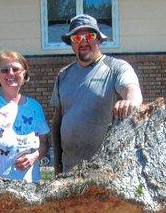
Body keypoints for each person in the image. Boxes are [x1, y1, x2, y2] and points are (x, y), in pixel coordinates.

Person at [51, 14, 142, 174]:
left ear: (99, 39)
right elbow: (58, 121)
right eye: (77, 37)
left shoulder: (116, 68)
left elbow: (131, 89)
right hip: (69, 171)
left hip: (106, 172)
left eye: (90, 36)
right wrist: (57, 166)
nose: (84, 41)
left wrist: (130, 101)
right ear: (71, 43)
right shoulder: (63, 75)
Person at [0, 51, 50, 182]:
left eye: (16, 69)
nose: (11, 73)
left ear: (24, 73)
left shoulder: (35, 107)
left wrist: (34, 156)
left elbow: (44, 144)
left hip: (31, 187)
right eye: (4, 70)